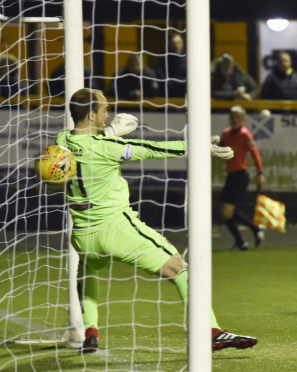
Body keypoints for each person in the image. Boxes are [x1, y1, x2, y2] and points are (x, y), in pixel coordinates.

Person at [55, 88, 257, 353]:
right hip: (116, 228)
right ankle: (211, 331)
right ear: (91, 114)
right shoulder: (109, 147)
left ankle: (90, 331)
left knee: (89, 272)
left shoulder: (61, 140)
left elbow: (84, 146)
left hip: (82, 234)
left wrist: (110, 132)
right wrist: (197, 147)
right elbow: (151, 149)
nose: (109, 113)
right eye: (104, 109)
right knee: (180, 268)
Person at [219, 105, 266, 251]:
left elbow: (255, 153)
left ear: (243, 119)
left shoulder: (246, 134)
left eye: (238, 117)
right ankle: (249, 235)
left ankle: (245, 238)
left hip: (241, 175)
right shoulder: (226, 133)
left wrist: (260, 173)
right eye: (232, 116)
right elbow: (219, 149)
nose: (234, 119)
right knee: (226, 213)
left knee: (228, 212)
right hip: (231, 175)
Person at [155, 32, 187, 97]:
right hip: (168, 96)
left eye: (178, 42)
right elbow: (160, 77)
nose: (176, 45)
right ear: (169, 44)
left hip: (185, 96)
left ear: (183, 43)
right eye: (173, 43)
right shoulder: (163, 61)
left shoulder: (189, 60)